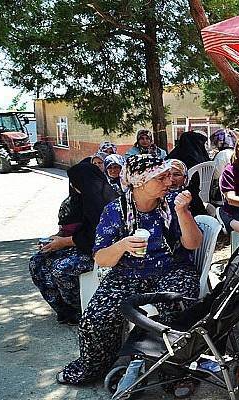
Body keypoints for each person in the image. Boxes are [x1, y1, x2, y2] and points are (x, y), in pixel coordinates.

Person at [57, 154, 203, 385]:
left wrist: (183, 213)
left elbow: (193, 244)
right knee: (96, 317)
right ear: (139, 181)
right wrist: (122, 245)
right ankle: (95, 367)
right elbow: (102, 258)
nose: (169, 182)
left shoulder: (174, 203)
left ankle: (175, 371)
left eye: (169, 176)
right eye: (161, 178)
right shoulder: (115, 210)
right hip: (127, 273)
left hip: (172, 270)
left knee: (177, 309)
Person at [29, 163, 118, 325]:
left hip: (103, 252)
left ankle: (80, 308)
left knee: (61, 268)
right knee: (37, 261)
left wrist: (64, 242)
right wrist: (54, 240)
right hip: (79, 246)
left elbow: (97, 237)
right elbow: (71, 229)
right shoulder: (77, 201)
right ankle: (63, 310)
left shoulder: (109, 200)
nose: (73, 185)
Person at [167, 131, 210, 216]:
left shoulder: (177, 158)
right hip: (202, 192)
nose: (171, 178)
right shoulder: (203, 157)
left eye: (176, 174)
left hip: (188, 193)